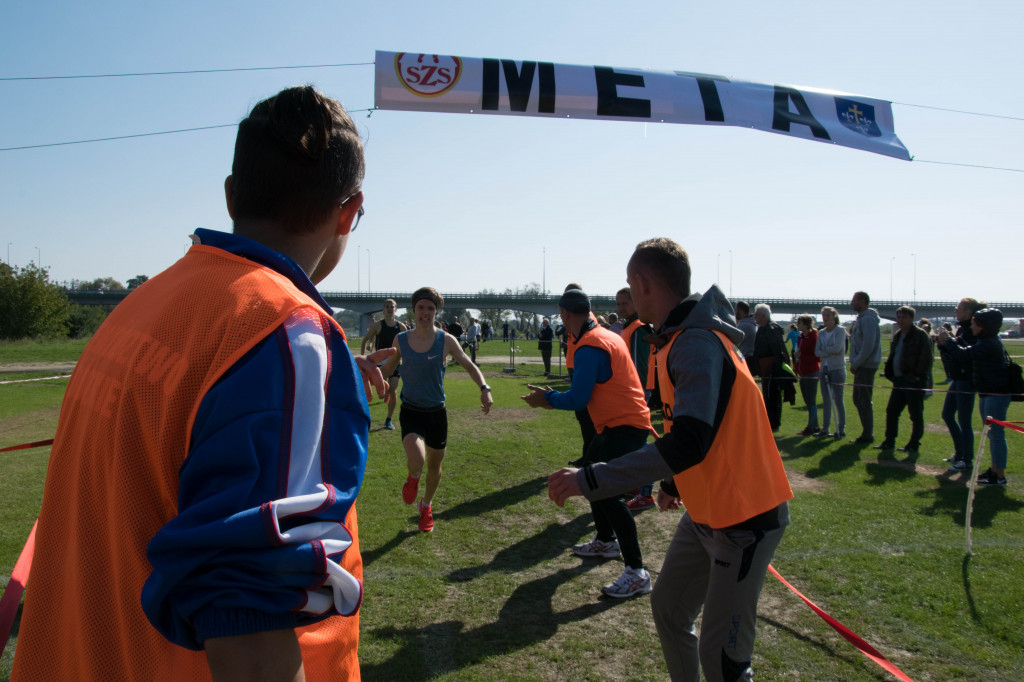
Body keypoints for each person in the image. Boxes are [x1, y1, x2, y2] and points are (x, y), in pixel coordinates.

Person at [12, 86, 386, 681]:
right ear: (349, 212)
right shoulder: (287, 333)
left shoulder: (141, 305)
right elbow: (251, 628)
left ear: (233, 194)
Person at [547, 238, 792, 682]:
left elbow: (689, 441)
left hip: (745, 518)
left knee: (725, 662)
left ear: (642, 283)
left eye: (628, 285)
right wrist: (676, 485)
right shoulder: (676, 338)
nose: (627, 295)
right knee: (670, 610)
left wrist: (590, 479)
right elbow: (700, 426)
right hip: (707, 511)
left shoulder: (695, 342)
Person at [523, 289, 653, 598]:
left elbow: (577, 399)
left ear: (565, 315)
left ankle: (637, 571)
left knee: (608, 493)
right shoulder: (603, 335)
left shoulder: (590, 345)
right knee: (590, 477)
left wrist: (546, 399)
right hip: (616, 425)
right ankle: (606, 541)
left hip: (625, 427)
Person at [380, 287, 493, 532]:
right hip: (411, 410)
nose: (425, 312)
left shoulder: (446, 340)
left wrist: (484, 388)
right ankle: (413, 478)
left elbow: (469, 365)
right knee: (418, 460)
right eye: (421, 307)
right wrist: (369, 377)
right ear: (414, 310)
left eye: (430, 308)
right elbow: (388, 368)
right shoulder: (401, 340)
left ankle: (426, 506)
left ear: (436, 311)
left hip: (436, 413)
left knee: (434, 466)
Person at [937, 308, 1012, 485]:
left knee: (996, 434)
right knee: (992, 435)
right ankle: (994, 470)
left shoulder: (990, 343)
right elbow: (964, 352)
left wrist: (948, 341)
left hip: (996, 395)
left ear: (984, 326)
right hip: (988, 394)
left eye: (975, 323)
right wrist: (949, 343)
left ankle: (999, 476)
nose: (971, 325)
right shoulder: (986, 341)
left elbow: (964, 355)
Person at [617, 285, 656, 510]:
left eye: (625, 303)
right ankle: (635, 486)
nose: (621, 308)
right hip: (633, 391)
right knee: (631, 440)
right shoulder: (629, 326)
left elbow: (637, 366)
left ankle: (646, 493)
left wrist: (636, 394)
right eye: (619, 304)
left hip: (638, 392)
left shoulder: (639, 328)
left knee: (640, 441)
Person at [876, 306, 933, 455]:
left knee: (915, 414)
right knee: (892, 411)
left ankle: (914, 443)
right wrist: (891, 373)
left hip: (914, 381)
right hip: (899, 380)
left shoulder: (920, 335)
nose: (900, 320)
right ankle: (890, 440)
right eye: (899, 317)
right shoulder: (898, 335)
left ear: (912, 319)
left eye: (904, 317)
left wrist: (917, 375)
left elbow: (927, 358)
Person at [938, 298, 984, 471]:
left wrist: (950, 341)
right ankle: (959, 453)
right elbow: (954, 353)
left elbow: (966, 353)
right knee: (947, 414)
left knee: (964, 420)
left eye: (959, 309)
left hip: (966, 381)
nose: (956, 311)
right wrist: (944, 344)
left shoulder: (972, 330)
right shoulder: (962, 330)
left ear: (969, 312)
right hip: (958, 379)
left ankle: (967, 459)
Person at [361, 298, 407, 430]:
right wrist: (364, 357)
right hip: (379, 363)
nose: (389, 309)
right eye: (387, 306)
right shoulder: (378, 325)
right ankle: (363, 416)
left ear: (396, 309)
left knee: (393, 390)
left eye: (391, 306)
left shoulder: (401, 326)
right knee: (372, 390)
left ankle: (388, 420)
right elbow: (365, 340)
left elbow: (407, 344)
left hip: (395, 362)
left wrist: (407, 360)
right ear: (383, 310)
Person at [848, 291, 882, 444]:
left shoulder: (868, 319)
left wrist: (856, 363)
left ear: (863, 301)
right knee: (858, 399)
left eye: (854, 300)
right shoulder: (862, 318)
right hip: (862, 365)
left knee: (863, 399)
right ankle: (867, 432)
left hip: (866, 366)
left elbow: (868, 346)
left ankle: (868, 434)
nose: (851, 303)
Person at [753, 303, 791, 431]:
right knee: (768, 396)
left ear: (763, 316)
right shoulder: (763, 329)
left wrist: (774, 368)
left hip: (772, 368)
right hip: (765, 367)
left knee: (773, 396)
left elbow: (777, 351)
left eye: (757, 315)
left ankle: (774, 424)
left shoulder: (771, 329)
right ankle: (769, 422)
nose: (755, 317)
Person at [815, 306, 847, 439]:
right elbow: (817, 352)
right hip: (824, 369)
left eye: (828, 315)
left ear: (834, 316)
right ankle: (825, 428)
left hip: (837, 368)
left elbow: (838, 348)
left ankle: (841, 429)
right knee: (826, 400)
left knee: (838, 399)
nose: (825, 318)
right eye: (823, 316)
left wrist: (826, 351)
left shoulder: (840, 331)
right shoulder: (821, 333)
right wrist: (830, 351)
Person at [794, 314, 820, 436]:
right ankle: (814, 425)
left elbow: (817, 356)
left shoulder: (814, 337)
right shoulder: (800, 336)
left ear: (805, 324)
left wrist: (801, 356)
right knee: (807, 400)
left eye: (799, 323)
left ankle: (812, 426)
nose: (798, 325)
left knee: (811, 400)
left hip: (812, 371)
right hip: (802, 371)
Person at [735, 300, 758, 376]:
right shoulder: (752, 323)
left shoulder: (744, 325)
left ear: (740, 310)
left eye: (736, 309)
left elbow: (734, 341)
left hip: (744, 359)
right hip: (749, 358)